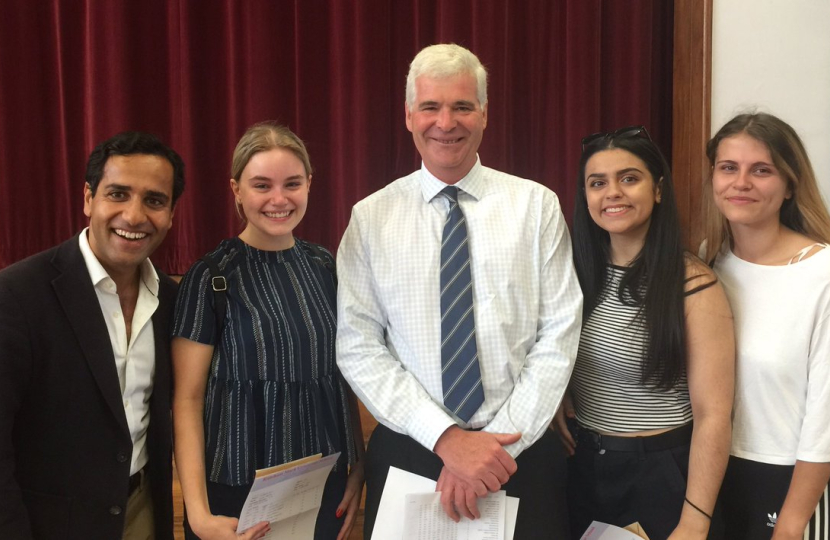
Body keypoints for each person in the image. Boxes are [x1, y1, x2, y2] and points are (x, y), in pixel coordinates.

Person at [336, 43, 583, 539]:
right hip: (412, 450)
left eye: (462, 106)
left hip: (520, 452)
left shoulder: (536, 206)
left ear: (485, 115)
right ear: (409, 116)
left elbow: (558, 334)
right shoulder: (371, 218)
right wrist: (448, 439)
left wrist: (491, 450)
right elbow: (358, 345)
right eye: (430, 106)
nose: (445, 122)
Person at [172, 122, 364, 540]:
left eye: (292, 184)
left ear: (310, 185)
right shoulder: (211, 278)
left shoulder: (326, 267)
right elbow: (186, 400)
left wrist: (358, 466)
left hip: (322, 484)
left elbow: (343, 376)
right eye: (262, 185)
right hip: (234, 493)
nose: (279, 199)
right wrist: (199, 514)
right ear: (236, 190)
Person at [552, 126, 734, 539]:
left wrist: (694, 519)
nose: (612, 192)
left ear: (657, 190)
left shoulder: (693, 285)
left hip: (665, 473)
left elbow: (714, 417)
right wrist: (558, 392)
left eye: (629, 178)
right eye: (597, 183)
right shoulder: (571, 274)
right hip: (585, 465)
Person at [0, 132, 185, 539]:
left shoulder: (174, 300)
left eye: (154, 200)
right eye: (118, 194)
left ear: (171, 213)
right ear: (88, 198)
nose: (135, 216)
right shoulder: (17, 294)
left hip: (142, 513)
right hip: (48, 524)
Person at [702, 112, 830, 540]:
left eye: (761, 170)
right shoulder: (707, 262)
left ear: (790, 184)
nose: (741, 183)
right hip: (712, 472)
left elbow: (825, 419)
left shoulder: (822, 273)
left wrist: (792, 523)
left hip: (792, 480)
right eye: (728, 168)